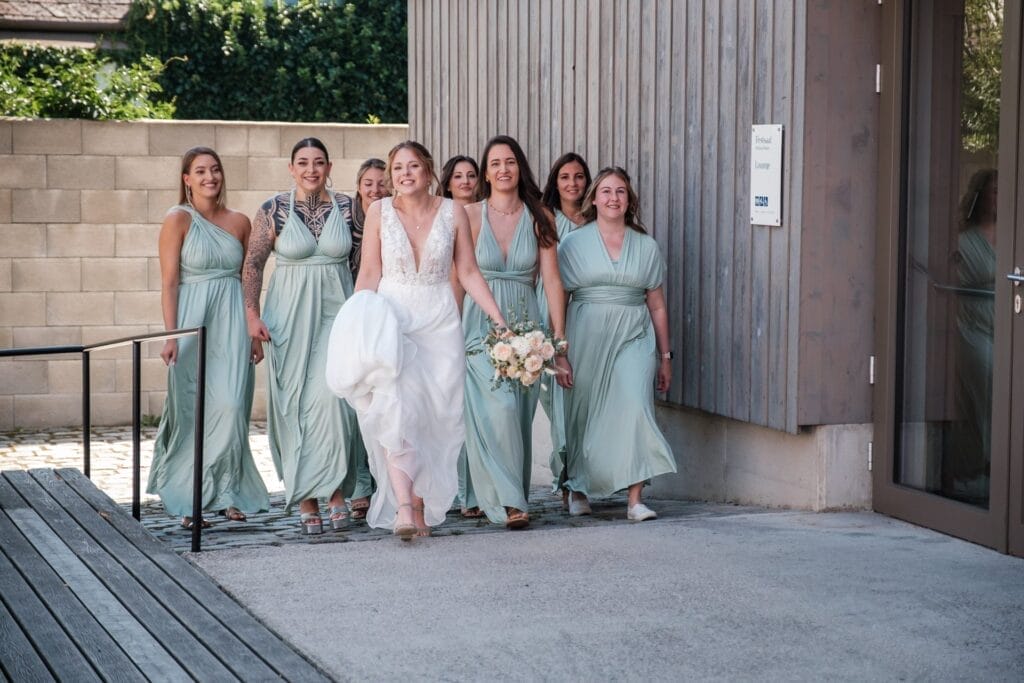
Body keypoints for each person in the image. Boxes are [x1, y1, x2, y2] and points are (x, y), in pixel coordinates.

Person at [331, 140, 507, 542]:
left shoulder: (453, 212)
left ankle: (424, 504)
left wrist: (498, 320)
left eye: (412, 167)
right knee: (396, 409)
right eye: (397, 168)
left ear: (428, 171)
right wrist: (356, 325)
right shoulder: (378, 212)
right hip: (392, 318)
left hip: (440, 321)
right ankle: (404, 505)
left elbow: (468, 271)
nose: (404, 174)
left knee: (436, 416)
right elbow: (370, 272)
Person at [242, 137, 365, 535]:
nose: (311, 169)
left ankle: (334, 493)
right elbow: (253, 266)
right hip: (287, 319)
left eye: (318, 162)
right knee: (292, 406)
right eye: (303, 163)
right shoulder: (272, 210)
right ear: (291, 168)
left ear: (329, 167)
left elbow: (365, 264)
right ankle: (306, 498)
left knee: (331, 402)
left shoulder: (349, 208)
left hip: (336, 314)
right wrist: (252, 318)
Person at [149, 146, 269, 530]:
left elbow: (250, 280)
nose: (209, 177)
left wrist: (253, 327)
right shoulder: (177, 220)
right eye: (199, 171)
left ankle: (228, 492)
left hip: (233, 321)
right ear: (187, 179)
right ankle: (191, 498)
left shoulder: (240, 222)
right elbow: (169, 282)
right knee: (192, 411)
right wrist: (171, 335)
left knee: (232, 407)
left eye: (214, 170)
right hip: (192, 324)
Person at [461, 135, 572, 529]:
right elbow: (461, 277)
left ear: (519, 167)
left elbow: (553, 281)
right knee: (498, 409)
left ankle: (499, 493)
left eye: (510, 162)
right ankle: (510, 502)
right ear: (486, 173)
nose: (503, 169)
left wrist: (558, 343)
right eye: (494, 164)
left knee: (518, 415)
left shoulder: (541, 215)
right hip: (479, 323)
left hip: (527, 326)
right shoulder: (469, 216)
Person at [559, 166, 677, 521]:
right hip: (586, 334)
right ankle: (576, 486)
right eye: (606, 191)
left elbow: (656, 303)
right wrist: (559, 351)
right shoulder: (572, 243)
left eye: (621, 191)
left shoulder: (646, 246)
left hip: (634, 334)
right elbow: (558, 298)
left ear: (630, 200)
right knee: (583, 412)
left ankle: (635, 498)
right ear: (593, 199)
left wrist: (665, 356)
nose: (613, 198)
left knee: (636, 405)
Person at [539, 152, 592, 509]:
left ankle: (583, 479)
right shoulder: (546, 219)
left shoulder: (596, 219)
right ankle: (566, 479)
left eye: (578, 177)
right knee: (556, 400)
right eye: (564, 177)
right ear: (555, 183)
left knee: (581, 399)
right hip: (548, 309)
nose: (572, 183)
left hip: (586, 313)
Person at [946, 168, 997, 504]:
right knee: (984, 400)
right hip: (975, 331)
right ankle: (974, 473)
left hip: (1009, 329)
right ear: (980, 196)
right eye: (994, 191)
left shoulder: (1014, 232)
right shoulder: (965, 240)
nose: (1000, 196)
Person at [439, 154, 483, 516]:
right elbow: (455, 277)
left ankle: (479, 491)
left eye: (471, 175)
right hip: (454, 311)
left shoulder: (488, 214)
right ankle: (461, 490)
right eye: (458, 176)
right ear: (448, 182)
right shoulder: (444, 216)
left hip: (487, 308)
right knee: (455, 403)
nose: (466, 181)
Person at [349, 158, 388, 280]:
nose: (375, 190)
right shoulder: (346, 216)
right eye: (368, 184)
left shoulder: (396, 217)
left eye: (382, 184)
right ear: (359, 187)